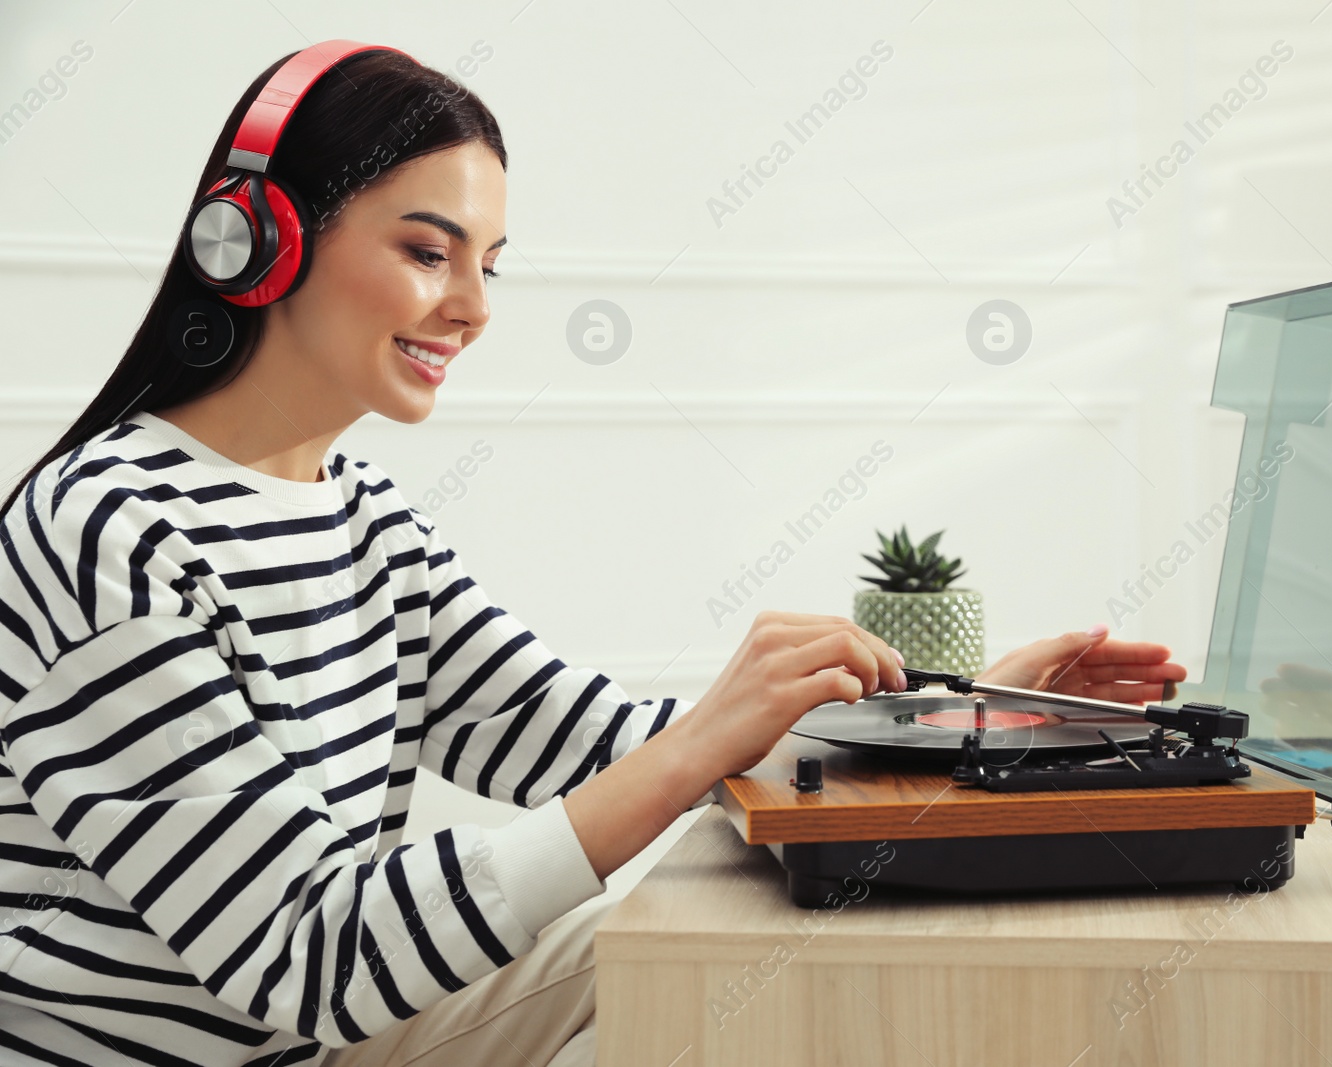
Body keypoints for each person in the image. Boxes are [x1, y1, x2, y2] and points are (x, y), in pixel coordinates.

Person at [0, 43, 1187, 1067]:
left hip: (319, 1037)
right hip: (274, 1024)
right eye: (428, 250)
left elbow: (599, 741)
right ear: (255, 238)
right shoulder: (103, 528)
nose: (471, 307)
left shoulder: (362, 513)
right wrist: (697, 749)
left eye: (490, 264)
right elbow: (310, 953)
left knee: (746, 941)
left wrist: (966, 714)